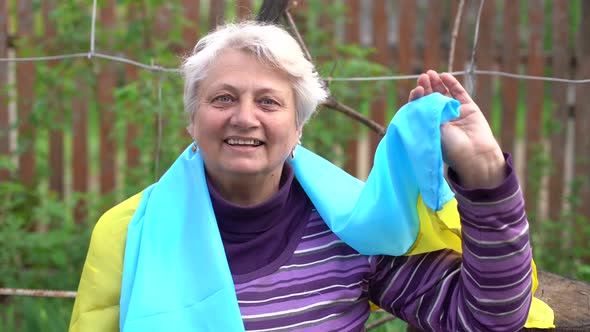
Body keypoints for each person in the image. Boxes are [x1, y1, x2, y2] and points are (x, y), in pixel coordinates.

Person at [69, 21, 553, 332]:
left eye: (269, 102)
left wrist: (485, 171)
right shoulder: (128, 232)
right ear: (191, 120)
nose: (244, 117)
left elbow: (487, 318)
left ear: (297, 128)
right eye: (222, 98)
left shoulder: (353, 227)